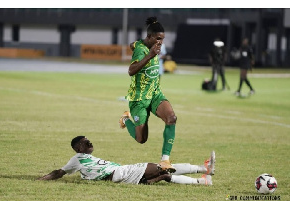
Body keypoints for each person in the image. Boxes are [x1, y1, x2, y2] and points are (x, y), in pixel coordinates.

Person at [119, 17, 177, 173]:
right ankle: (125, 118)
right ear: (150, 37)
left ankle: (165, 160)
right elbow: (131, 71)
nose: (161, 42)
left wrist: (135, 45)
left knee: (171, 117)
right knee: (141, 139)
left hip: (154, 94)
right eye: (158, 39)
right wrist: (149, 55)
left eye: (162, 39)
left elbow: (133, 44)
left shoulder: (144, 44)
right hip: (139, 100)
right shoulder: (142, 50)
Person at [38, 136, 215, 186]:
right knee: (163, 167)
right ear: (78, 148)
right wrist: (41, 179)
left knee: (165, 175)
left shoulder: (86, 158)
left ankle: (203, 179)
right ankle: (202, 169)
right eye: (84, 142)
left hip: (121, 173)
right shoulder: (77, 159)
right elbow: (59, 173)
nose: (89, 142)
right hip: (120, 173)